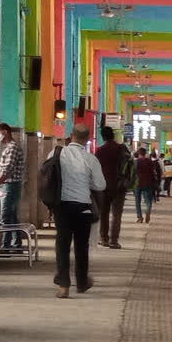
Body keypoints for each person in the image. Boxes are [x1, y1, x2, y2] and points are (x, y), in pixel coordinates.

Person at [50, 124, 106, 298]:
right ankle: (81, 283)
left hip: (61, 206)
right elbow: (100, 185)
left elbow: (47, 175)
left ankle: (64, 286)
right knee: (81, 247)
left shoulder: (56, 153)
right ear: (87, 139)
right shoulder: (90, 159)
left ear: (71, 135)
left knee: (62, 245)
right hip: (83, 207)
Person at [95, 125, 131, 249]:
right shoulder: (121, 148)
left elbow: (96, 169)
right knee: (117, 215)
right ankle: (114, 241)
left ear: (103, 137)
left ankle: (104, 238)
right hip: (119, 186)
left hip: (104, 186)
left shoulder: (100, 150)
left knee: (104, 213)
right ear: (113, 135)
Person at [0, 123, 25, 254]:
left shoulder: (12, 148)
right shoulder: (8, 148)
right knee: (12, 215)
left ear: (5, 132)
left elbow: (7, 171)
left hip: (10, 185)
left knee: (5, 215)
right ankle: (16, 244)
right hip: (9, 185)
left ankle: (5, 246)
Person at [134, 147, 158, 223]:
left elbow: (132, 173)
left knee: (137, 201)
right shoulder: (149, 161)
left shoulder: (135, 162)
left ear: (138, 154)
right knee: (148, 200)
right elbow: (153, 173)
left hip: (137, 183)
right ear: (145, 153)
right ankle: (148, 210)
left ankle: (140, 217)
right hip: (148, 183)